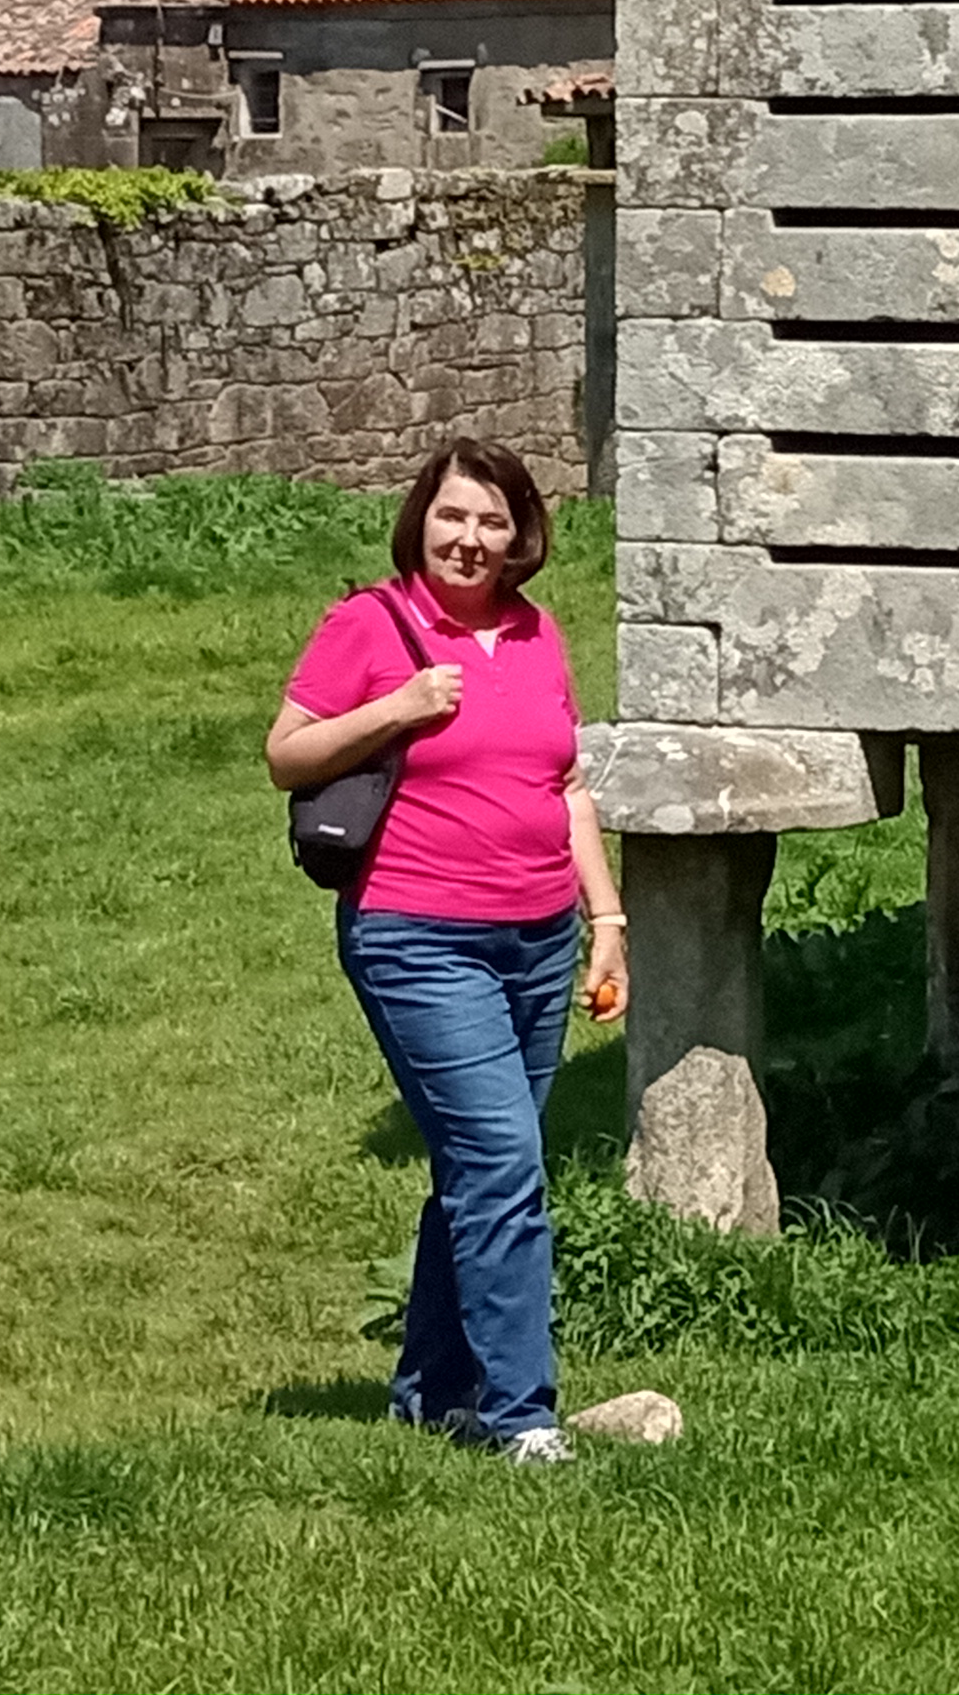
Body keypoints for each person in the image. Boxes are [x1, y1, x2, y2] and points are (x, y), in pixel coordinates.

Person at [267, 434, 626, 1461]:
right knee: (504, 1161)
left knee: (476, 1165)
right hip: (416, 934)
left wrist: (607, 922)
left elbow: (565, 785)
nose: (469, 539)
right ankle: (524, 1416)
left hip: (539, 936)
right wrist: (397, 707)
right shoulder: (369, 625)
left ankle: (431, 1391)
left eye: (491, 522)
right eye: (452, 516)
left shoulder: (535, 634)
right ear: (421, 520)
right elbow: (284, 753)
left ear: (521, 539)